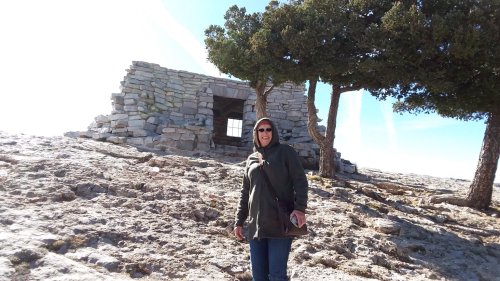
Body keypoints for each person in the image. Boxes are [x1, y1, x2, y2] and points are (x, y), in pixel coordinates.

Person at [234, 117, 308, 281]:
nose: (265, 133)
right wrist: (239, 221)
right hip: (256, 227)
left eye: (268, 129)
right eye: (261, 130)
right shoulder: (251, 159)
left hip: (279, 224)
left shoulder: (285, 152)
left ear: (273, 132)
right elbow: (245, 192)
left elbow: (300, 181)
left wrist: (300, 208)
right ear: (256, 134)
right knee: (258, 277)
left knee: (276, 275)